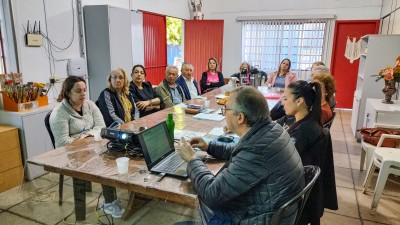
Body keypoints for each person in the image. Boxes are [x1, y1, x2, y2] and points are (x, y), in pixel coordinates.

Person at [176, 86, 305, 224]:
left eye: (225, 109)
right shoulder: (273, 129)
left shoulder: (257, 151)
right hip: (271, 210)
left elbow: (211, 193)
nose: (224, 113)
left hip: (255, 218)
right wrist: (209, 147)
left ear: (240, 117)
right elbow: (243, 150)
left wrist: (192, 159)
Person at [50, 76, 125, 218]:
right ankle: (109, 203)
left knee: (116, 153)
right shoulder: (59, 113)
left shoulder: (89, 105)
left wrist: (85, 135)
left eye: (84, 90)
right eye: (78, 91)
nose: (83, 94)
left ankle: (112, 199)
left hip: (90, 147)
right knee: (105, 164)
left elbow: (101, 127)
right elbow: (62, 143)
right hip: (69, 155)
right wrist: (86, 136)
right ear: (67, 93)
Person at [277, 80, 338, 225]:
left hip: (289, 188)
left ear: (299, 101)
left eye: (285, 98)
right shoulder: (293, 118)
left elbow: (281, 161)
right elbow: (270, 126)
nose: (281, 102)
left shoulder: (305, 130)